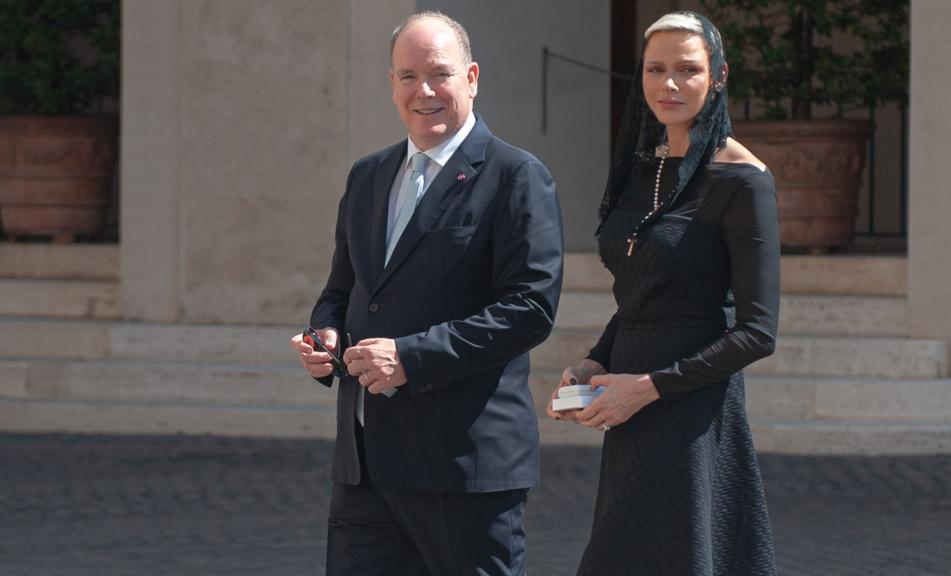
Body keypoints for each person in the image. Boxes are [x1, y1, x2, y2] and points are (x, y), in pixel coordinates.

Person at [290, 11, 563, 575]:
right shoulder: (368, 175)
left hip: (462, 465)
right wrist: (326, 337)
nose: (425, 91)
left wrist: (410, 358)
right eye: (408, 76)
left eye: (439, 73)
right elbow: (342, 290)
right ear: (391, 84)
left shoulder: (516, 176)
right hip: (365, 465)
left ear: (472, 78)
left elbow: (530, 309)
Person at [547, 11, 779, 576]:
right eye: (655, 69)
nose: (668, 84)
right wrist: (594, 360)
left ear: (717, 76)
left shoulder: (743, 180)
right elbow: (640, 293)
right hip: (628, 409)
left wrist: (647, 388)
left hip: (692, 413)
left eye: (686, 69)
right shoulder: (642, 170)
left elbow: (757, 332)